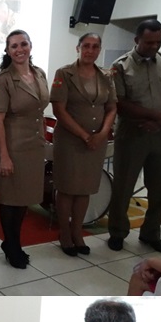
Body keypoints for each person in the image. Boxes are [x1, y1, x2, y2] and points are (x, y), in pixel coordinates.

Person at [107, 19, 161, 255]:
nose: (154, 46)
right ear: (137, 40)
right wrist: (157, 116)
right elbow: (119, 103)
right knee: (123, 186)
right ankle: (117, 232)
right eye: (149, 42)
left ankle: (151, 233)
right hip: (132, 132)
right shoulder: (121, 66)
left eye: (159, 42)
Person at [50, 33, 117, 256]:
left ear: (99, 50)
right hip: (70, 140)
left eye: (95, 46)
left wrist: (103, 133)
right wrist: (85, 136)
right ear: (78, 48)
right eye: (86, 46)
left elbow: (112, 107)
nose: (90, 50)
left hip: (96, 141)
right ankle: (65, 233)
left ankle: (77, 232)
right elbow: (59, 109)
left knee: (85, 189)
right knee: (67, 188)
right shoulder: (64, 73)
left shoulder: (106, 76)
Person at [0, 30, 49, 269]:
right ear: (7, 50)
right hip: (13, 147)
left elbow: (40, 109)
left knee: (25, 196)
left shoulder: (39, 73)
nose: (19, 49)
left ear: (30, 46)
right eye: (14, 46)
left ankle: (14, 242)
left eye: (23, 44)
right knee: (10, 198)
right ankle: (11, 244)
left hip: (35, 146)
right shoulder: (4, 79)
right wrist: (4, 156)